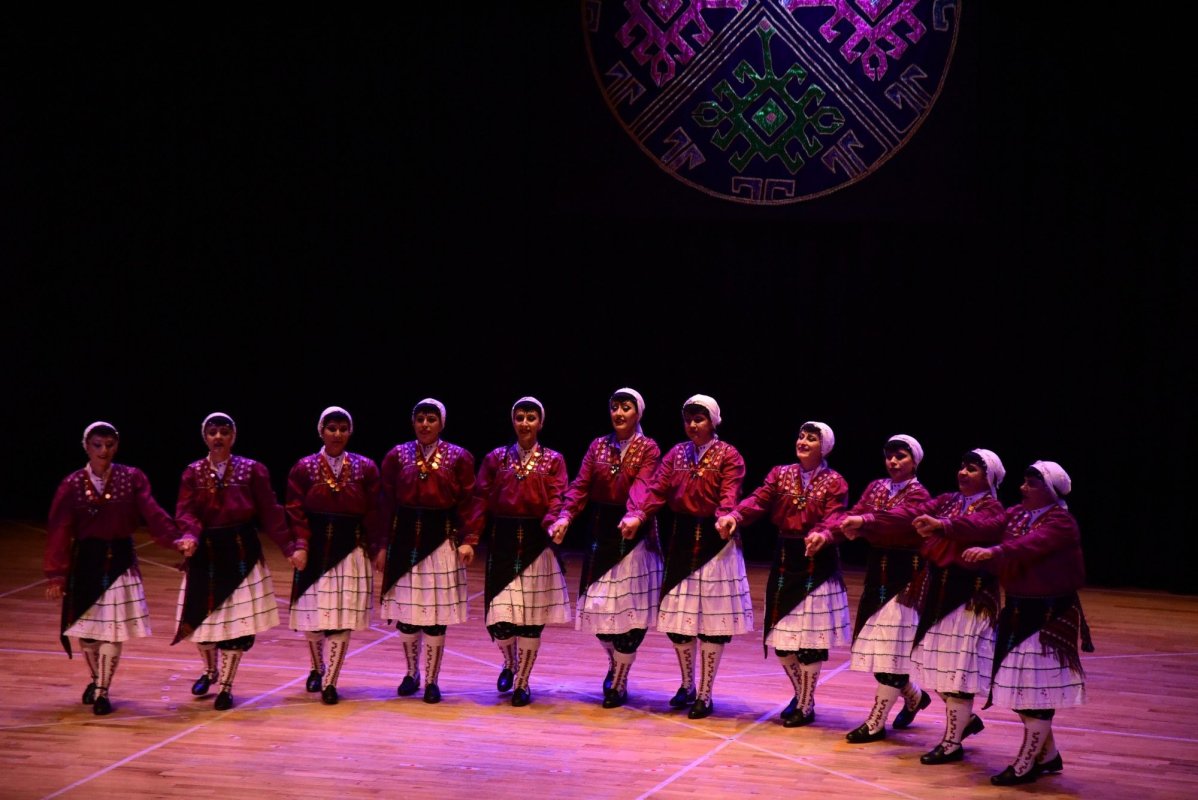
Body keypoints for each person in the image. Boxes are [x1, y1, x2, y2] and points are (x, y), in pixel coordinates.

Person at [840, 448, 1007, 765]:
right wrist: (864, 523)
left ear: (990, 477)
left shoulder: (994, 508)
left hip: (969, 596)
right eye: (963, 466)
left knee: (956, 671)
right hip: (938, 590)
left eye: (972, 469)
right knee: (934, 665)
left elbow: (979, 527)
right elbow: (908, 514)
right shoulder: (947, 500)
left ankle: (952, 741)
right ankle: (959, 723)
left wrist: (942, 526)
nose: (963, 472)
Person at [620, 394, 752, 720]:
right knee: (679, 624)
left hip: (715, 543)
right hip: (681, 541)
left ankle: (705, 693)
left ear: (713, 421)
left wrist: (726, 516)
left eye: (699, 419)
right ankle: (687, 684)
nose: (693, 425)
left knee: (711, 626)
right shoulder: (677, 453)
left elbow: (730, 491)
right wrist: (638, 515)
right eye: (689, 419)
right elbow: (657, 490)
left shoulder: (729, 455)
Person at [962, 461, 1093, 786]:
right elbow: (990, 526)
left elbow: (1029, 546)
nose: (1023, 488)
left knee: (1035, 692)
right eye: (1024, 482)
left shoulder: (1061, 522)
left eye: (1032, 484)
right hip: (1018, 609)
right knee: (1017, 687)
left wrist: (994, 552)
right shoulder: (1018, 514)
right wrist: (945, 527)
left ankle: (1026, 763)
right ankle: (1048, 756)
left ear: (1051, 490)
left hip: (1048, 616)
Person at [44, 421, 185, 715]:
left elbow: (152, 512)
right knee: (88, 632)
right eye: (97, 445)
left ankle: (102, 691)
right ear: (86, 447)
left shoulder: (131, 477)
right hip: (85, 562)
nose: (104, 451)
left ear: (116, 446)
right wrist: (56, 574)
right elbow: (60, 528)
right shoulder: (71, 484)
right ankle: (97, 681)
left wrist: (176, 540)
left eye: (109, 445)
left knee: (111, 631)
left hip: (119, 561)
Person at [717, 420, 850, 728]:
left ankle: (805, 703)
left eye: (811, 438)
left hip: (816, 559)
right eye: (801, 436)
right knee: (782, 641)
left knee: (810, 643)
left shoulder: (835, 482)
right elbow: (759, 499)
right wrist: (735, 515)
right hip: (786, 557)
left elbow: (834, 516)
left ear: (824, 447)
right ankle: (803, 695)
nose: (802, 441)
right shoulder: (781, 473)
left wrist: (822, 534)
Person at [548, 388, 663, 708]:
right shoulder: (598, 445)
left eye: (626, 407)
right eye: (614, 407)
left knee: (630, 612)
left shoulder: (649, 448)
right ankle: (615, 663)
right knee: (599, 610)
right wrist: (565, 516)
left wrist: (634, 514)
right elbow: (581, 485)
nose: (619, 413)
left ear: (638, 413)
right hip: (601, 531)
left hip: (633, 532)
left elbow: (644, 484)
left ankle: (620, 679)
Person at [173, 412, 296, 710]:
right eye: (212, 432)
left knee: (235, 630)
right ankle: (210, 671)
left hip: (241, 553)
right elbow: (186, 511)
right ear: (205, 437)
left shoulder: (253, 470)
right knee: (201, 624)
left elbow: (270, 511)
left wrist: (290, 547)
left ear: (233, 436)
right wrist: (189, 534)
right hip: (206, 553)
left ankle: (226, 686)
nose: (218, 437)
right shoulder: (192, 473)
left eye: (224, 432)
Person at [462, 396, 571, 707]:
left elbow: (558, 495)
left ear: (540, 423)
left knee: (531, 622)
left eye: (531, 417)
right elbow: (480, 500)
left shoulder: (554, 460)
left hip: (537, 543)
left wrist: (554, 522)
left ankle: (522, 682)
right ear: (513, 421)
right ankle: (510, 662)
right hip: (503, 542)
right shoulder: (496, 458)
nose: (525, 423)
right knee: (500, 621)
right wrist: (471, 538)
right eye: (520, 417)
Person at [374, 398, 477, 705]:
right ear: (413, 422)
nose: (425, 424)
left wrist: (469, 539)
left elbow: (470, 502)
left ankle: (432, 680)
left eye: (431, 419)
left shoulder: (459, 456)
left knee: (434, 618)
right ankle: (411, 673)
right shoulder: (397, 455)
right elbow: (384, 503)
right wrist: (382, 545)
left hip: (441, 541)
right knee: (407, 616)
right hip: (404, 541)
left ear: (441, 423)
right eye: (420, 418)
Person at [835, 435, 933, 742]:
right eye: (889, 456)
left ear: (914, 462)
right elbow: (857, 511)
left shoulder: (919, 494)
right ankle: (915, 696)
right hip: (877, 570)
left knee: (892, 652)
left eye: (900, 456)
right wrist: (839, 528)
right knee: (879, 651)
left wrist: (863, 522)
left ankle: (876, 722)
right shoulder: (877, 486)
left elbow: (898, 520)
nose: (893, 461)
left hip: (906, 575)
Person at [284, 406, 380, 705]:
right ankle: (317, 667)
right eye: (331, 428)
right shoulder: (304, 467)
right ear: (321, 431)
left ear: (350, 432)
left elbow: (375, 511)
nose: (337, 434)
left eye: (343, 428)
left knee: (342, 619)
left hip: (350, 550)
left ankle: (330, 682)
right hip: (315, 550)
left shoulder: (366, 467)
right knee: (313, 618)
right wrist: (300, 544)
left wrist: (377, 548)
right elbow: (294, 509)